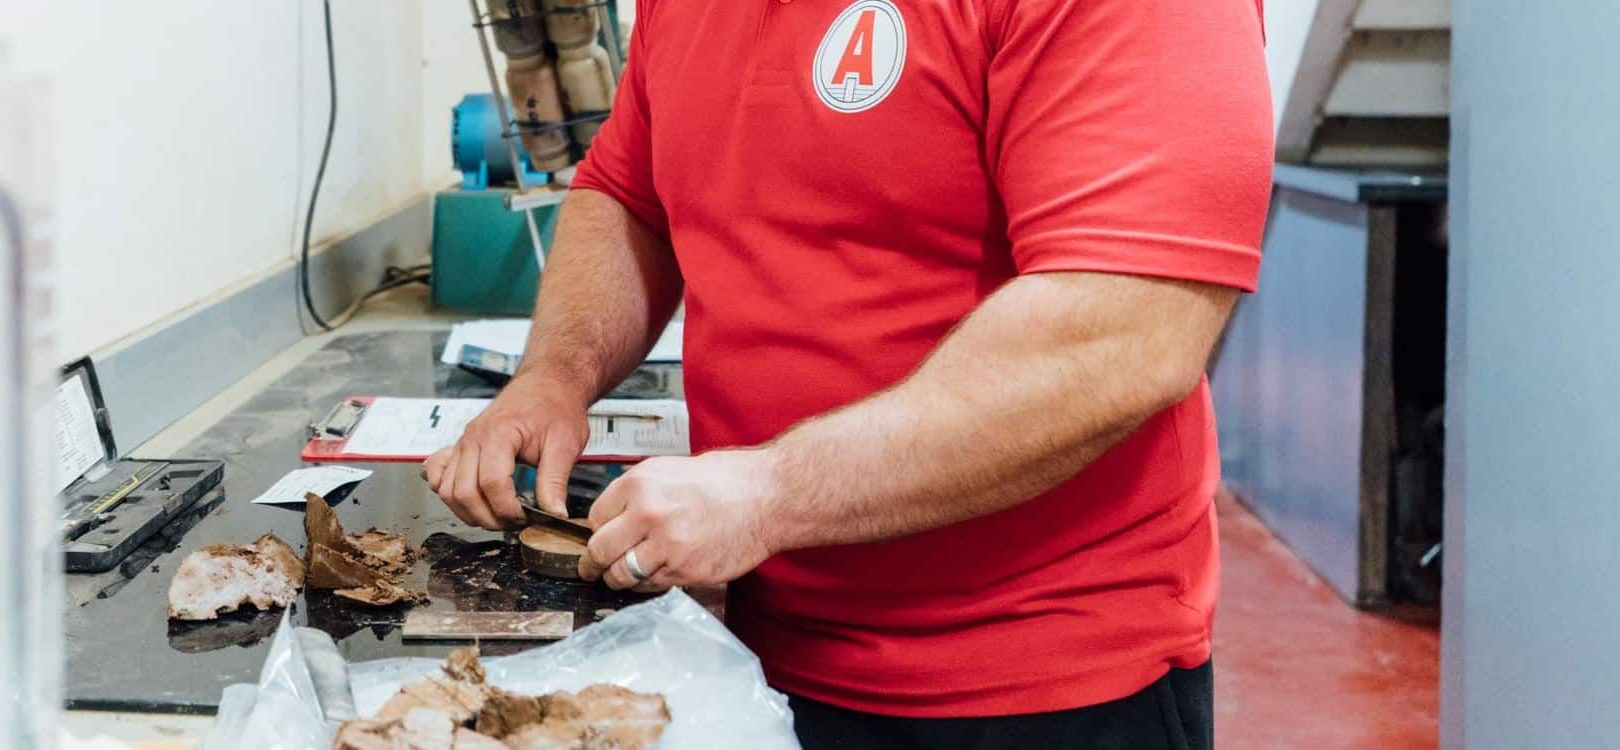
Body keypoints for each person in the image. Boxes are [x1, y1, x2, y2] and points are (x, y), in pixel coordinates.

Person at [426, 0, 1271, 746]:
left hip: (1032, 680)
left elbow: (1122, 333)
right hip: (760, 646)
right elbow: (627, 192)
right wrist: (555, 377)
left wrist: (771, 495)